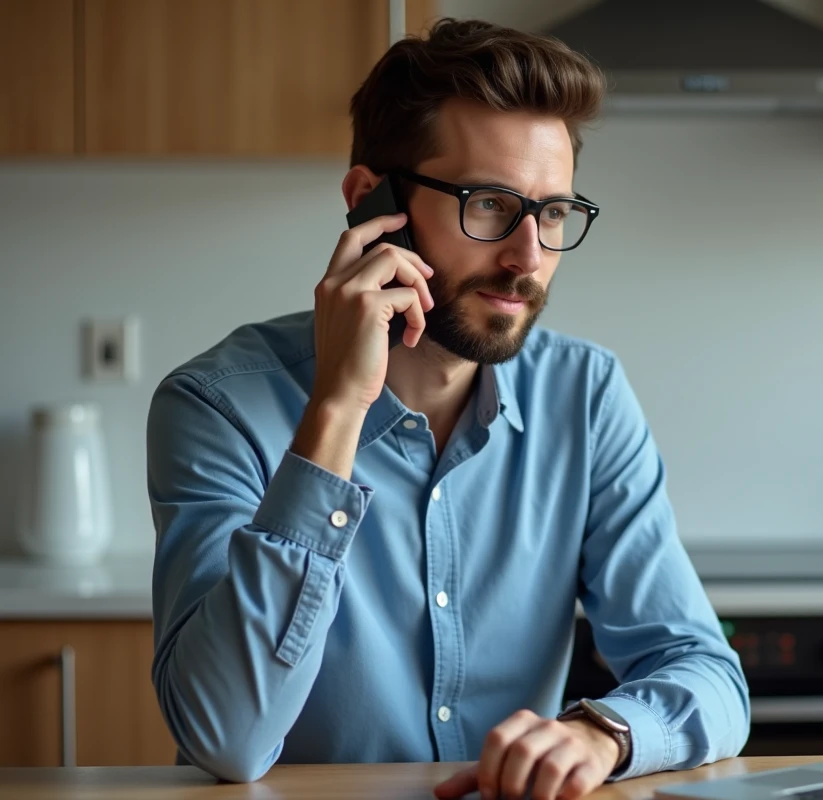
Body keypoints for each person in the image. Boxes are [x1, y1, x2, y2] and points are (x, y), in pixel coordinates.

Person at [146, 17, 750, 797]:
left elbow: (707, 675)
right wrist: (335, 410)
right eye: (490, 204)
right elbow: (226, 738)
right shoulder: (217, 406)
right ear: (372, 202)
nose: (528, 256)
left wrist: (602, 734)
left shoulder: (585, 396)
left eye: (555, 213)